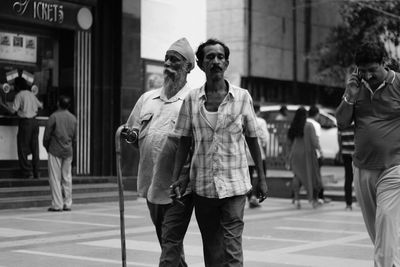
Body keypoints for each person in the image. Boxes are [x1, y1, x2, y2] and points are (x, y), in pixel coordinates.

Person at [170, 38, 268, 266]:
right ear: (202, 64)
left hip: (235, 186)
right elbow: (183, 140)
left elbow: (253, 139)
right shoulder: (192, 99)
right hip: (203, 187)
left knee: (233, 251)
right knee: (213, 251)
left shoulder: (242, 97)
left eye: (220, 57)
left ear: (226, 63)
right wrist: (177, 177)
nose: (215, 61)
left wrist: (262, 177)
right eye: (210, 57)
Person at [123, 38, 195, 267]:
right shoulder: (147, 99)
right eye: (166, 58)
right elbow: (133, 133)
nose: (167, 63)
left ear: (188, 67)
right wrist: (130, 135)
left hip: (178, 187)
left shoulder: (192, 100)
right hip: (151, 181)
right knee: (167, 242)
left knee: (170, 241)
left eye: (174, 59)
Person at [336, 41, 400, 267]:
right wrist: (350, 95)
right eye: (362, 70)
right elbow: (342, 122)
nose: (367, 75)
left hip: (394, 168)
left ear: (385, 62)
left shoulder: (398, 83)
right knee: (379, 232)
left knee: (385, 221)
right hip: (362, 168)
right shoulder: (355, 87)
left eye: (372, 69)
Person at [0, 76, 43, 179]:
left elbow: (12, 111)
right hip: (35, 122)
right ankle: (37, 171)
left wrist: (2, 104)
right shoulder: (31, 94)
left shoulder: (19, 95)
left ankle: (28, 172)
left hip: (26, 123)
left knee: (22, 147)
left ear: (17, 86)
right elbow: (41, 106)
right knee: (35, 147)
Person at [43, 95, 77, 212]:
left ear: (58, 104)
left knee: (55, 178)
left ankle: (57, 204)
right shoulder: (73, 118)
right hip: (68, 151)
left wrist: (47, 148)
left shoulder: (53, 117)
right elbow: (75, 138)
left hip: (55, 150)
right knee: (67, 178)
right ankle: (68, 203)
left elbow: (46, 136)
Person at [287, 107, 322, 209]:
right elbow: (314, 141)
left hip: (295, 153)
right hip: (307, 155)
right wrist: (320, 150)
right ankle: (313, 199)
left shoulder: (293, 126)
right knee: (312, 176)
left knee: (297, 176)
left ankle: (297, 199)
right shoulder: (309, 125)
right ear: (305, 115)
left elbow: (288, 142)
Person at [246, 103, 269, 208]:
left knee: (248, 176)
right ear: (258, 111)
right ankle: (255, 195)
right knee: (262, 174)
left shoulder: (244, 119)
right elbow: (265, 138)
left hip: (245, 153)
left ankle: (250, 197)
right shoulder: (261, 121)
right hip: (258, 153)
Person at [307, 105, 329, 203]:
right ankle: (319, 197)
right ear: (316, 114)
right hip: (315, 154)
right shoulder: (315, 125)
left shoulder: (305, 122)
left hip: (305, 153)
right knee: (317, 176)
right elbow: (316, 140)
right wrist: (321, 152)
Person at [337, 124, 354, 211]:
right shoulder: (358, 117)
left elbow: (339, 137)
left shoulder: (341, 120)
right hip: (357, 153)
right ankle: (362, 202)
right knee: (360, 178)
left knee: (348, 178)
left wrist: (340, 150)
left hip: (346, 152)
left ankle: (348, 204)